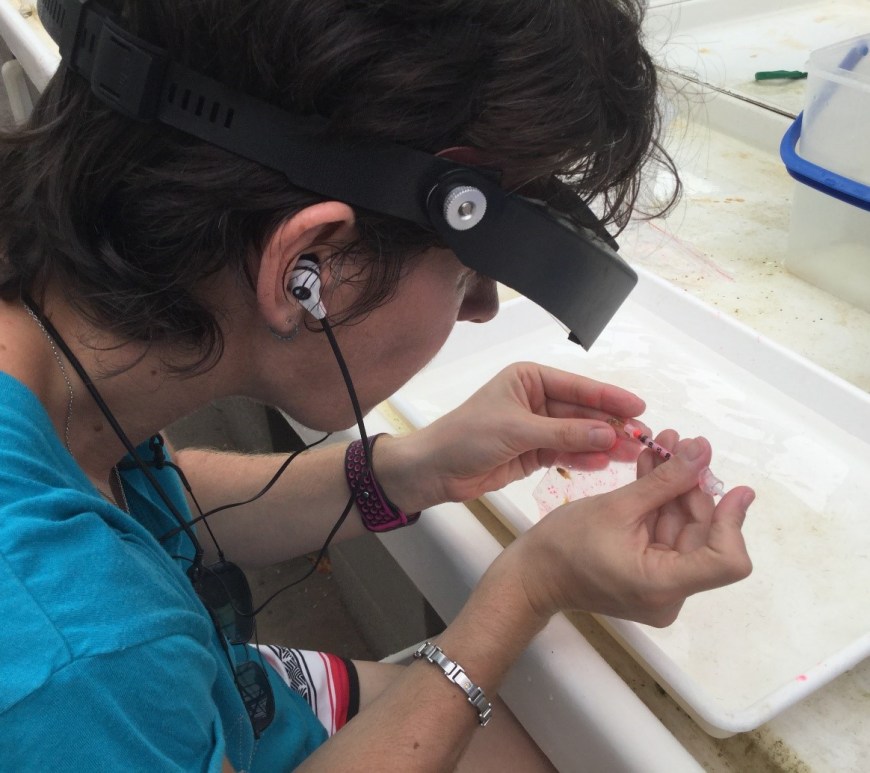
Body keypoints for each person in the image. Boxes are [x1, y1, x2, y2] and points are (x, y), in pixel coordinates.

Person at [0, 0, 755, 770]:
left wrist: (409, 469)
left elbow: (147, 497)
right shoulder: (83, 667)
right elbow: (98, 658)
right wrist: (527, 586)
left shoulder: (63, 365)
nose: (484, 309)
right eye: (465, 274)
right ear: (310, 271)